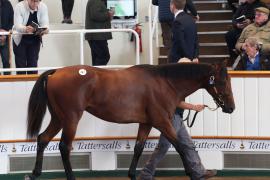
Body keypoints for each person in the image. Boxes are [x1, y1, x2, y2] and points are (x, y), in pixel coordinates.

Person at [139, 0, 216, 179]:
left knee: (182, 143)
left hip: (175, 107)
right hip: (173, 111)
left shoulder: (178, 23)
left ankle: (196, 172)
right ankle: (149, 172)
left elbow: (180, 45)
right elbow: (195, 42)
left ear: (172, 5)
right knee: (170, 144)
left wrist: (186, 60)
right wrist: (194, 57)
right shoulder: (190, 20)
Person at [13, 0, 49, 74]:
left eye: (37, 1)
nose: (35, 4)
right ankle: (21, 85)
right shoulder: (19, 6)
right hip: (20, 40)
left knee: (33, 65)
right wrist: (25, 29)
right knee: (20, 66)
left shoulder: (43, 7)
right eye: (33, 1)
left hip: (35, 39)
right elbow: (17, 25)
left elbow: (46, 25)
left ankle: (32, 85)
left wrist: (44, 30)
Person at [225, 0, 265, 65]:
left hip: (255, 28)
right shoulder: (242, 6)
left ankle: (248, 57)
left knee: (242, 36)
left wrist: (251, 22)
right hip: (241, 28)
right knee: (229, 35)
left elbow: (264, 19)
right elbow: (234, 19)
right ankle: (233, 56)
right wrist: (237, 24)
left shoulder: (261, 5)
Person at [85, 0, 114, 66]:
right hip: (97, 36)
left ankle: (95, 75)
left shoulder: (98, 1)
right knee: (104, 57)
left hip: (97, 35)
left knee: (98, 58)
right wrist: (108, 14)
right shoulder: (96, 1)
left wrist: (109, 15)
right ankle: (96, 75)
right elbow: (95, 15)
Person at [0, 0, 13, 75]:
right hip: (4, 36)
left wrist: (5, 32)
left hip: (5, 38)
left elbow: (12, 20)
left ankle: (7, 82)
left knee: (6, 61)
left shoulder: (7, 4)